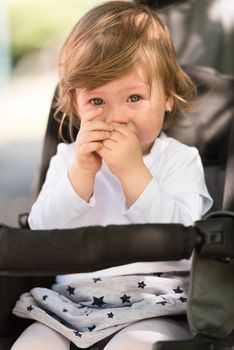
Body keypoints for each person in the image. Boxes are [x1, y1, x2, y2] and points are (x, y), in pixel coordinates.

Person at [11, 1, 213, 350]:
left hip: (158, 306)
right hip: (69, 306)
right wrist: (81, 174)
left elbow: (187, 243)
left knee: (133, 345)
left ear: (167, 96)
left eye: (133, 97)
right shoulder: (69, 159)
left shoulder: (180, 160)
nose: (115, 117)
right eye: (97, 102)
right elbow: (40, 236)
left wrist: (133, 172)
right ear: (75, 104)